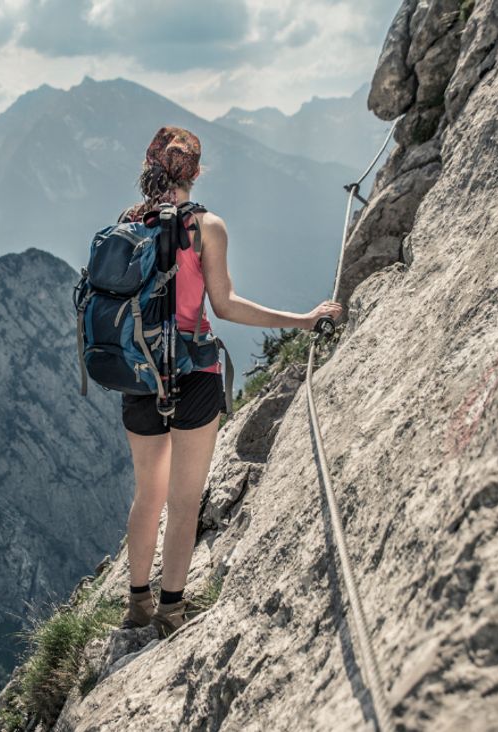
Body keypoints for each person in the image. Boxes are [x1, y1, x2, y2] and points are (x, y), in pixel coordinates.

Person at [118, 126, 342, 636]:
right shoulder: (207, 228)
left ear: (149, 165)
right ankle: (171, 611)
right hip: (194, 374)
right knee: (184, 499)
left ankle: (136, 605)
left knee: (146, 495)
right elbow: (224, 305)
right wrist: (303, 319)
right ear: (195, 172)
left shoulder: (128, 224)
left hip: (139, 375)